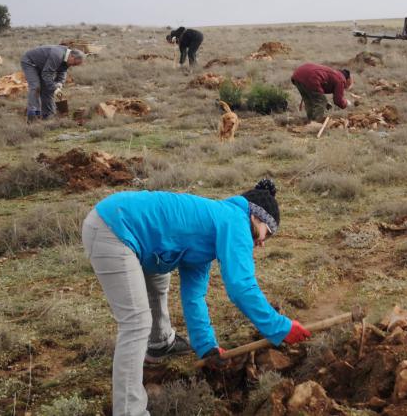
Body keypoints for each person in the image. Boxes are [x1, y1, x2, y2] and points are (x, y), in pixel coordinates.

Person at [81, 179, 310, 416]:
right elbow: (241, 286)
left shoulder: (210, 233)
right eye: (267, 234)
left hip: (131, 230)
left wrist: (206, 346)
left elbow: (194, 296)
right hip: (113, 229)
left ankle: (160, 343)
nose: (262, 243)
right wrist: (280, 327)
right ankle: (129, 411)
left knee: (160, 281)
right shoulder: (235, 221)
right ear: (257, 217)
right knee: (136, 322)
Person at [20, 45, 85, 122]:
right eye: (74, 64)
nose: (72, 66)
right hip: (30, 62)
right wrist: (54, 88)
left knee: (48, 89)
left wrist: (59, 83)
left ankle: (48, 116)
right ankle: (33, 117)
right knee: (35, 87)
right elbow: (46, 74)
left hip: (43, 66)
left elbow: (62, 71)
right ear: (72, 57)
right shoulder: (57, 55)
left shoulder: (67, 58)